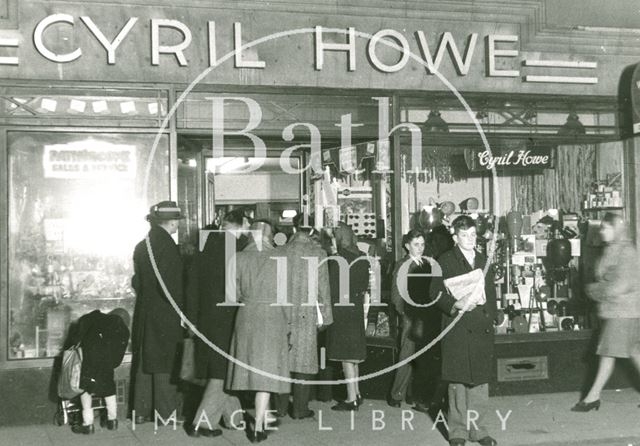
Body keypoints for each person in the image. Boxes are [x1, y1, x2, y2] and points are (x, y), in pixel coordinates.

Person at [429, 215, 498, 446]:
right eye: (464, 235)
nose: (469, 239)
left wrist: (493, 316)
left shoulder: (483, 259)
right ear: (454, 236)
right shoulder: (445, 260)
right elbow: (434, 292)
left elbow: (491, 292)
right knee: (457, 380)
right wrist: (454, 304)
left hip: (480, 325)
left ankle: (478, 431)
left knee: (479, 380)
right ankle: (457, 432)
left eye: (472, 235)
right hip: (456, 324)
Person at [184, 208, 249, 437]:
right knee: (223, 371)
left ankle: (234, 418)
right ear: (241, 225)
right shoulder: (240, 249)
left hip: (206, 318)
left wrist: (191, 319)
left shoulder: (204, 247)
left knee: (222, 366)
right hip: (230, 318)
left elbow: (192, 285)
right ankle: (202, 422)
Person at [227, 220, 291, 442]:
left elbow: (232, 296)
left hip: (247, 316)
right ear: (270, 236)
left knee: (248, 370)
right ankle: (259, 425)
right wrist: (289, 323)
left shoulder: (238, 257)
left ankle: (255, 418)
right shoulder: (280, 258)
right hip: (273, 317)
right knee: (265, 373)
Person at [572, 212, 640, 411]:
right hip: (622, 310)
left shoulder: (626, 252)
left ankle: (593, 397)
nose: (601, 231)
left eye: (605, 227)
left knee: (607, 354)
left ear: (616, 228)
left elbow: (622, 285)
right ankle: (593, 397)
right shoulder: (614, 249)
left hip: (623, 311)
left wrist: (595, 291)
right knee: (634, 352)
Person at [131, 200, 186, 424]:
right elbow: (171, 285)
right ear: (171, 222)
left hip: (146, 310)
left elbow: (137, 281)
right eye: (177, 222)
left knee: (145, 360)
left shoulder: (142, 244)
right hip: (165, 312)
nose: (178, 226)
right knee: (165, 362)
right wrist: (182, 312)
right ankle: (166, 414)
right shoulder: (168, 246)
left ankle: (140, 411)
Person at [275, 213, 333, 419]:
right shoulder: (319, 253)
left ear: (293, 228)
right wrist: (326, 317)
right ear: (311, 230)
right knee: (304, 361)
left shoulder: (281, 251)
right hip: (306, 314)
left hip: (283, 311)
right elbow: (323, 289)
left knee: (283, 359)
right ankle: (300, 409)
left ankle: (280, 407)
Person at [388, 229, 439, 408]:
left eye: (422, 244)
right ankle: (397, 394)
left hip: (426, 315)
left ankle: (412, 394)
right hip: (411, 316)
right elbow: (397, 293)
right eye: (416, 244)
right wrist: (405, 314)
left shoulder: (428, 263)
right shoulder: (403, 264)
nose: (420, 248)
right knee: (407, 354)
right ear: (407, 245)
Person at [325, 223, 370, 411]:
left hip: (341, 309)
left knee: (345, 356)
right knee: (354, 356)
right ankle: (357, 393)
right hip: (356, 308)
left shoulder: (336, 260)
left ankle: (351, 399)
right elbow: (364, 285)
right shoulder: (362, 258)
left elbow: (331, 288)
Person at [69, 309, 130, 435]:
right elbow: (118, 356)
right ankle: (112, 421)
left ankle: (88, 424)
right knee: (109, 388)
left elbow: (75, 342)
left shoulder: (90, 318)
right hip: (106, 360)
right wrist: (109, 363)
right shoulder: (122, 328)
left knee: (85, 389)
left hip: (89, 357)